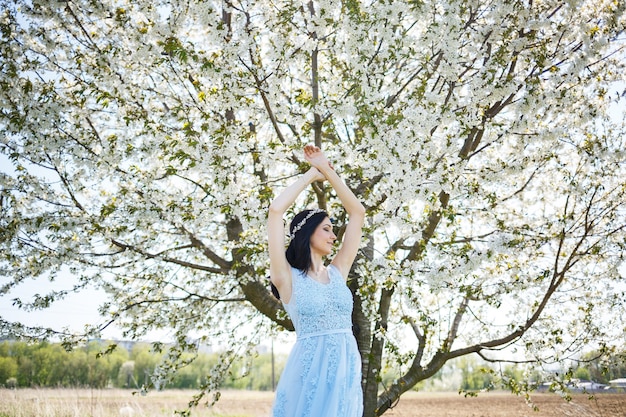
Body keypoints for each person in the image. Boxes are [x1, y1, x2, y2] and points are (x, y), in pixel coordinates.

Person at [268, 145, 366, 417]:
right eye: (327, 229)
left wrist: (328, 169)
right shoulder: (286, 277)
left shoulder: (338, 271)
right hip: (308, 376)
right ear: (308, 233)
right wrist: (312, 174)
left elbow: (357, 212)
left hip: (345, 374)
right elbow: (276, 211)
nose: (334, 237)